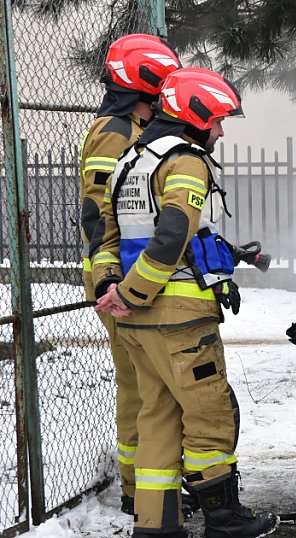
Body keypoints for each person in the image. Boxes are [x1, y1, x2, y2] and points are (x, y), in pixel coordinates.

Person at [92, 67, 278, 538]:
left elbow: (105, 238)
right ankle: (224, 519)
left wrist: (111, 289)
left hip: (137, 326)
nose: (218, 131)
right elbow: (172, 235)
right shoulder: (185, 161)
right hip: (179, 322)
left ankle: (156, 526)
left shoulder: (130, 161)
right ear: (194, 116)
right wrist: (133, 293)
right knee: (208, 414)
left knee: (156, 418)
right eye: (216, 121)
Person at [79, 33, 180, 516]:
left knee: (146, 383)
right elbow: (98, 211)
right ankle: (137, 489)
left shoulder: (132, 126)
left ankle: (144, 485)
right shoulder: (116, 131)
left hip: (130, 273)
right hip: (116, 276)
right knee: (141, 385)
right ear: (146, 83)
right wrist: (110, 278)